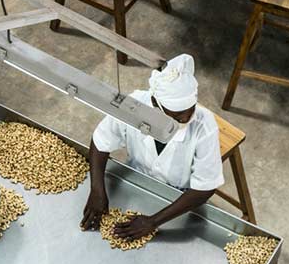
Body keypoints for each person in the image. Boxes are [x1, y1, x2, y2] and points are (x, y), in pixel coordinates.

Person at [80, 54, 224, 240]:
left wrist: (153, 222)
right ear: (156, 104)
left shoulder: (205, 126)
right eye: (178, 115)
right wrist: (97, 191)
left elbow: (205, 187)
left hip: (179, 197)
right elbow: (101, 140)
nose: (185, 118)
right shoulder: (135, 104)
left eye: (190, 110)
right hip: (136, 178)